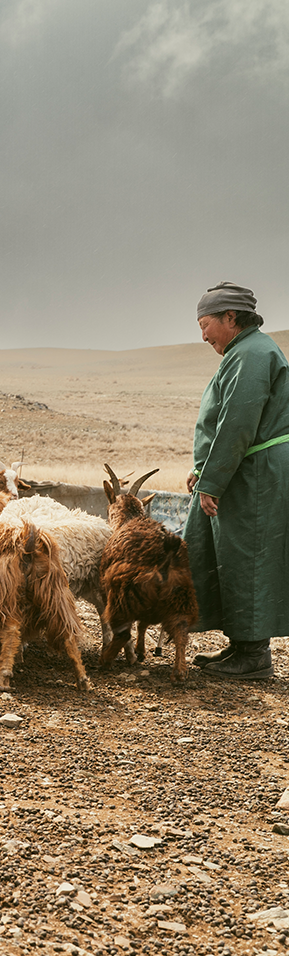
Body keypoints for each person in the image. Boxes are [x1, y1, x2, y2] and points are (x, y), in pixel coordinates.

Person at [184, 282, 289, 681]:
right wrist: (204, 468)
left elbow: (237, 424)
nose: (204, 335)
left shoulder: (252, 353)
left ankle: (254, 654)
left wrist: (212, 480)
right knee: (238, 553)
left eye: (206, 324)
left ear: (230, 318)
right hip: (248, 470)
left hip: (256, 474)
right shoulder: (247, 351)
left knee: (250, 555)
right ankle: (242, 645)